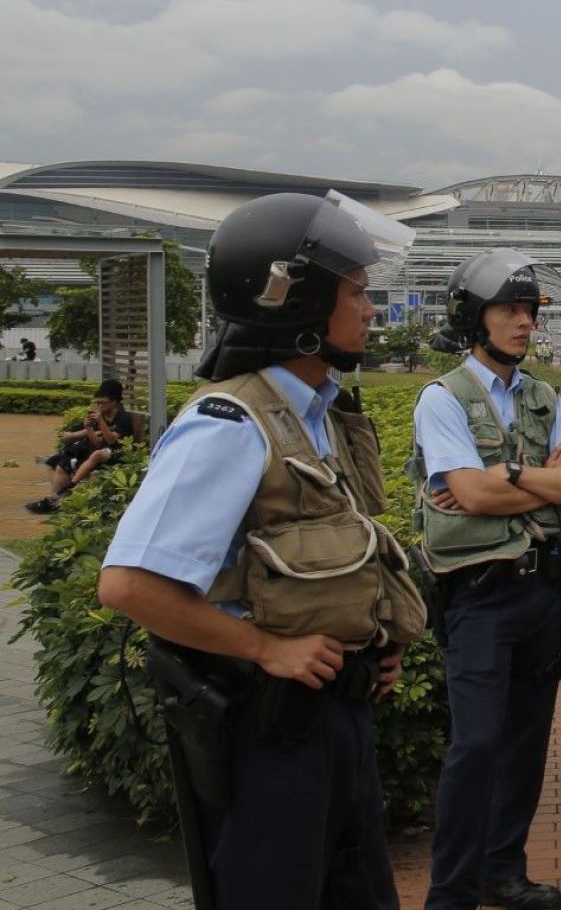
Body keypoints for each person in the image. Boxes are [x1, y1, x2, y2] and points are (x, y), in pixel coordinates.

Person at [96, 191, 427, 907]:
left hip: (334, 720)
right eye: (357, 292)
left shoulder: (318, 415)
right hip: (270, 734)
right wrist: (267, 650)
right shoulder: (230, 422)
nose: (371, 310)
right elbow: (128, 585)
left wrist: (371, 646)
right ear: (298, 302)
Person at [414, 249, 561, 910]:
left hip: (544, 590)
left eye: (529, 311)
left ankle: (502, 869)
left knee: (525, 743)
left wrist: (508, 477)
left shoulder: (547, 397)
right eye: (509, 310)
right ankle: (450, 892)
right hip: (480, 596)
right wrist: (540, 483)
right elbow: (467, 492)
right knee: (477, 743)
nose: (524, 322)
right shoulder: (443, 399)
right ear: (473, 316)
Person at [28, 379, 135, 513]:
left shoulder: (122, 417)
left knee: (92, 457)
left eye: (102, 403)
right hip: (101, 451)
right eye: (97, 403)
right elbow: (97, 442)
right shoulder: (104, 415)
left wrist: (100, 421)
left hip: (118, 452)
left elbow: (112, 441)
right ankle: (55, 501)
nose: (99, 406)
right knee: (59, 462)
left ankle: (67, 489)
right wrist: (88, 428)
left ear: (114, 402)